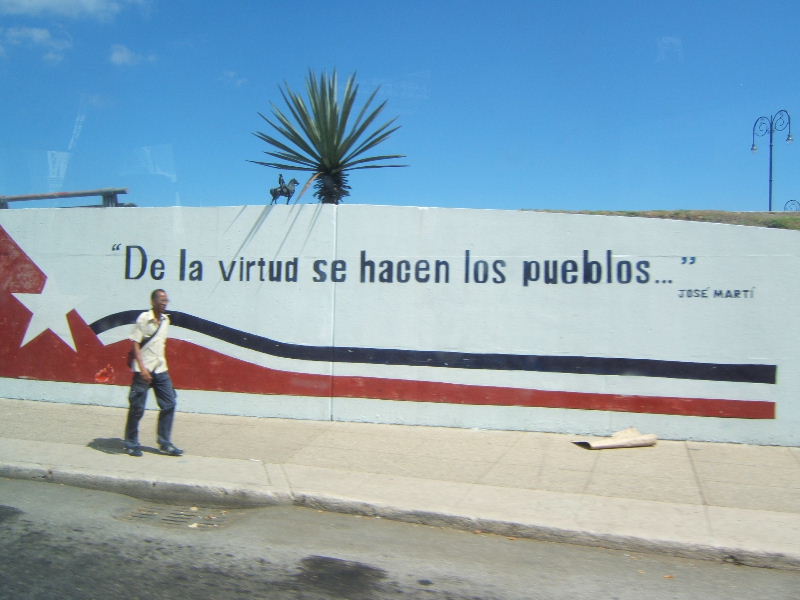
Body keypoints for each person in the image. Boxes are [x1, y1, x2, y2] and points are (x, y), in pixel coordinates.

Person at [124, 289, 183, 457]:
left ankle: (164, 443)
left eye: (166, 301)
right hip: (144, 370)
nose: (164, 303)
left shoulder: (166, 320)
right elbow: (135, 344)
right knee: (137, 408)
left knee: (169, 403)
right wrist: (142, 369)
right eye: (161, 300)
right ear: (153, 302)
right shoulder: (143, 319)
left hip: (161, 369)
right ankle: (131, 443)